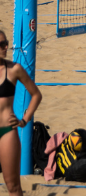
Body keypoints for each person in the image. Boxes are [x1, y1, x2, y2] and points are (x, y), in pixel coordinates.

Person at [0, 28, 43, 196]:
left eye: (6, 44)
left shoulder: (14, 69)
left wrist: (24, 120)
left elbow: (36, 95)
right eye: (1, 44)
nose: (5, 47)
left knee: (13, 187)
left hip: (6, 132)